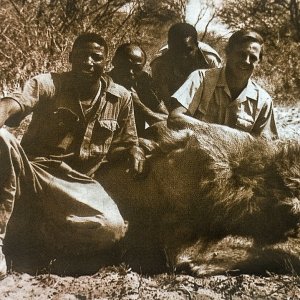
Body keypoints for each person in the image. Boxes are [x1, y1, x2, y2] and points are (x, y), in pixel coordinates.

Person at [0, 33, 146, 278]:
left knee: (112, 228)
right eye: (81, 56)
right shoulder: (48, 83)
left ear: (105, 62)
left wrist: (136, 150)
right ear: (71, 58)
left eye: (95, 58)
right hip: (32, 174)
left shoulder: (121, 98)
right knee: (3, 139)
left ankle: (39, 237)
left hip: (80, 185)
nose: (88, 62)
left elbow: (130, 139)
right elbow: (14, 103)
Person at [168, 29, 278, 140]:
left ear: (259, 62)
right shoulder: (201, 79)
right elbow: (175, 118)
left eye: (253, 58)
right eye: (241, 54)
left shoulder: (263, 101)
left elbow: (268, 145)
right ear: (228, 52)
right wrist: (221, 132)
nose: (246, 61)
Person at [150, 22, 222, 111]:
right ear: (169, 46)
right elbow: (163, 98)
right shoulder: (159, 63)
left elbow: (217, 96)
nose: (183, 56)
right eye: (177, 50)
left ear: (196, 45)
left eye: (188, 50)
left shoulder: (210, 60)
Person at [109, 43, 168, 136]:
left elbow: (167, 120)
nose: (130, 72)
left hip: (136, 143)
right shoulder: (101, 83)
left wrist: (139, 105)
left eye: (137, 68)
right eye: (125, 66)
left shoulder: (142, 83)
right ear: (114, 61)